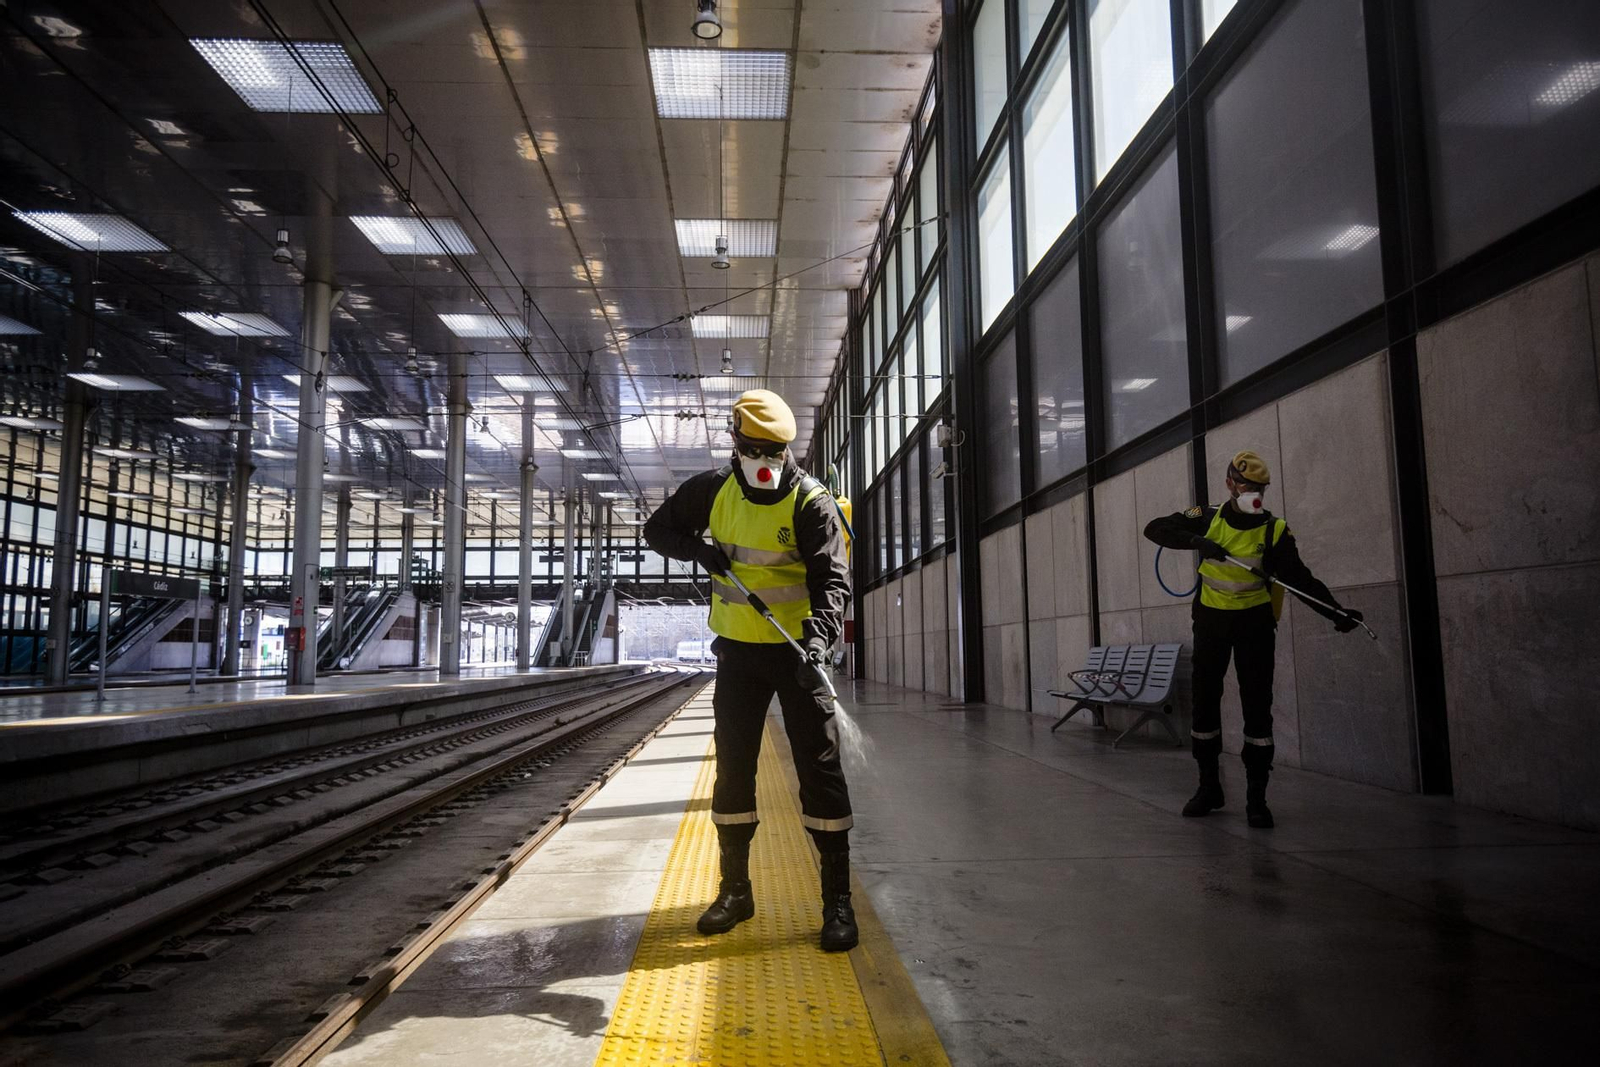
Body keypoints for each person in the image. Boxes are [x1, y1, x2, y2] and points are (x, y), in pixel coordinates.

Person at [643, 389, 857, 951]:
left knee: (820, 769)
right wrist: (698, 551)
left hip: (797, 657)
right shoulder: (712, 490)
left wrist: (819, 639)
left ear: (787, 450)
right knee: (734, 768)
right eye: (753, 447)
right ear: (735, 442)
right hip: (738, 655)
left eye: (773, 450)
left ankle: (838, 903)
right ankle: (735, 891)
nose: (763, 459)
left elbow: (832, 582)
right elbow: (656, 530)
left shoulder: (813, 504)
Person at [1143, 451, 1365, 829]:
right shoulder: (1209, 516)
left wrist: (1336, 612)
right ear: (1230, 484)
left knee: (1258, 707)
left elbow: (1300, 579)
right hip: (1212, 621)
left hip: (1255, 625)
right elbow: (1156, 528)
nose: (1252, 492)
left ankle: (1256, 799)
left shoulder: (1274, 530)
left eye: (1258, 487)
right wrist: (1200, 542)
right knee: (1205, 704)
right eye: (1245, 485)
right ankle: (1208, 786)